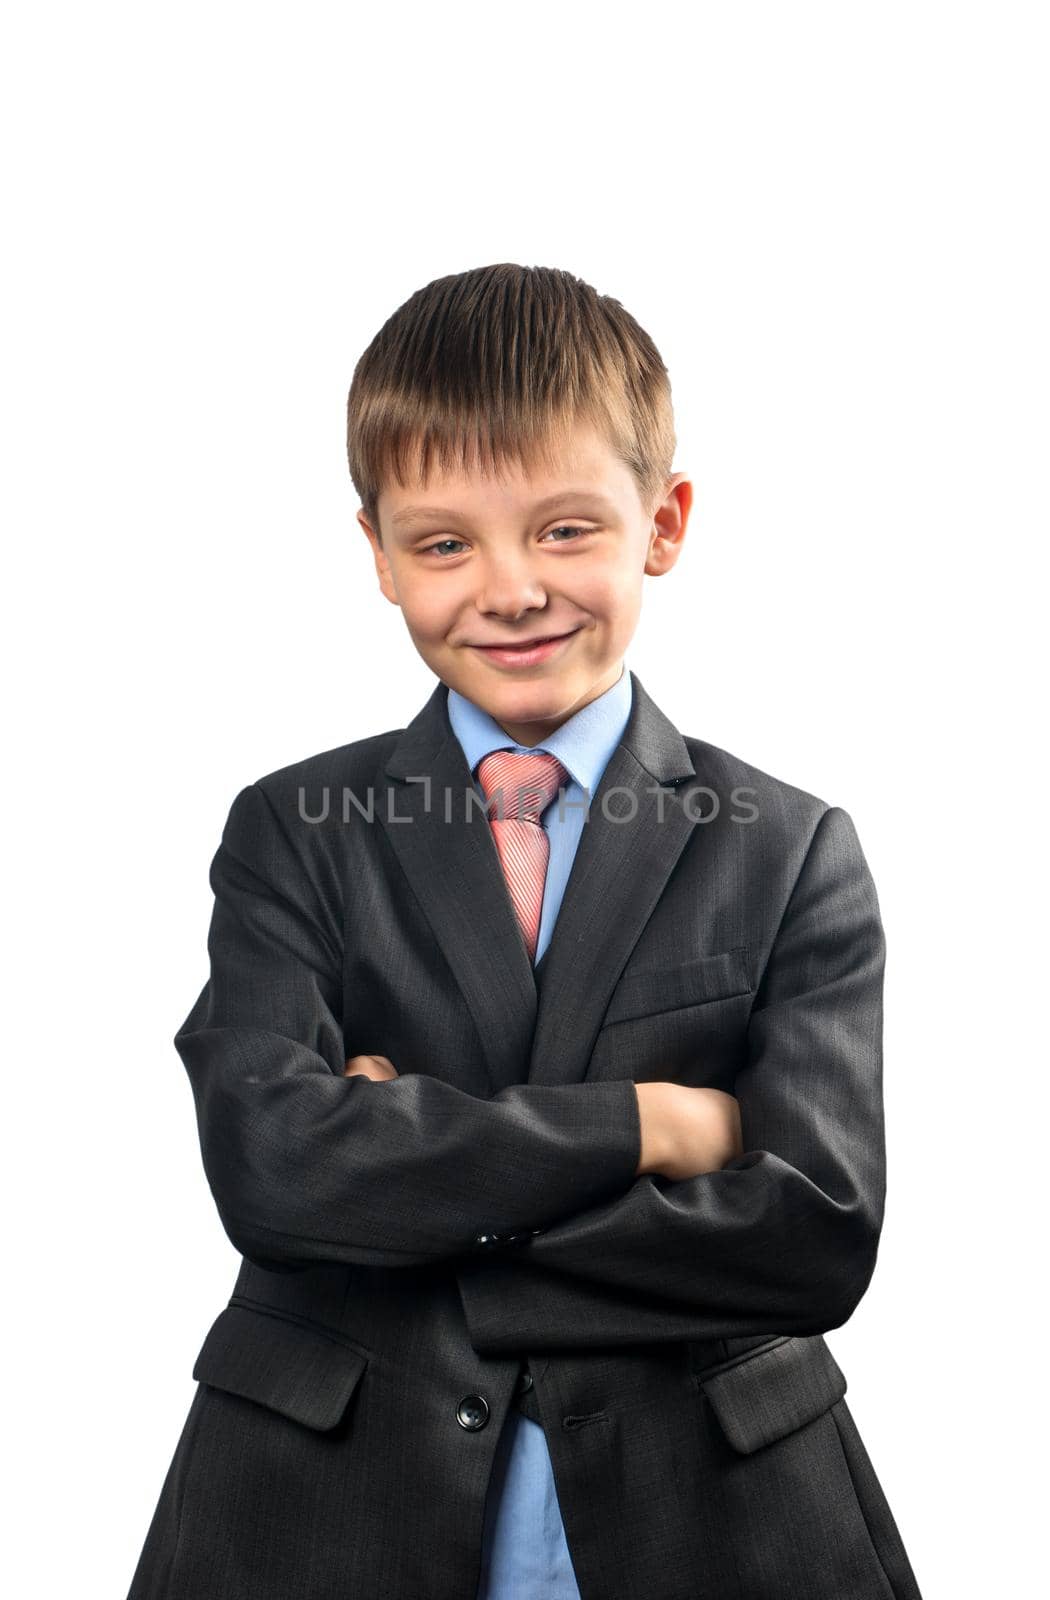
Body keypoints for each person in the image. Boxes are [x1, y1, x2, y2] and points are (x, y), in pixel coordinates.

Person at [127, 262, 923, 1599]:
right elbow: (271, 1170)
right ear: (377, 554)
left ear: (661, 522)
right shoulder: (295, 831)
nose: (508, 590)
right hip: (330, 1509)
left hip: (711, 1521)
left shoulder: (787, 849)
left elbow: (812, 1231)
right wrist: (650, 1129)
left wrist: (405, 1181)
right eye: (444, 543)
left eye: (563, 531)